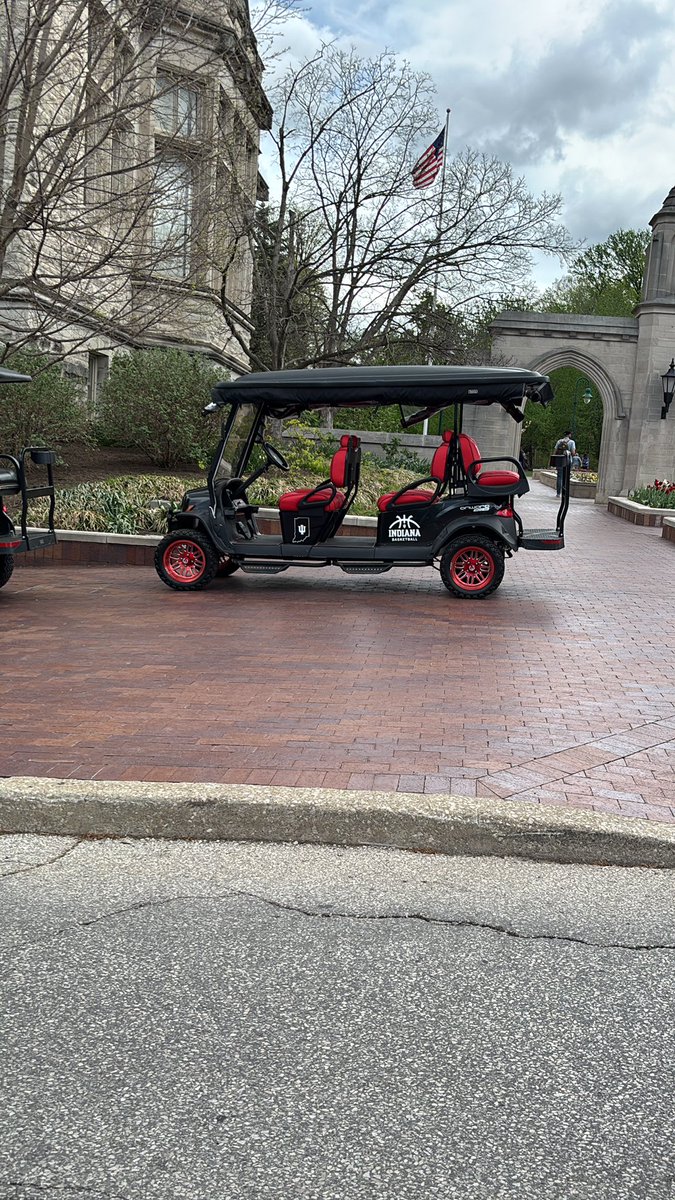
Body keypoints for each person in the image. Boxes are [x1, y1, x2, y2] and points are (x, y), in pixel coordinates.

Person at [553, 430, 575, 496]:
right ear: (569, 435)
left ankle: (558, 493)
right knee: (566, 477)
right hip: (568, 461)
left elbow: (555, 451)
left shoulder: (559, 441)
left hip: (560, 461)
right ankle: (564, 493)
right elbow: (573, 453)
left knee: (559, 477)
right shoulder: (572, 442)